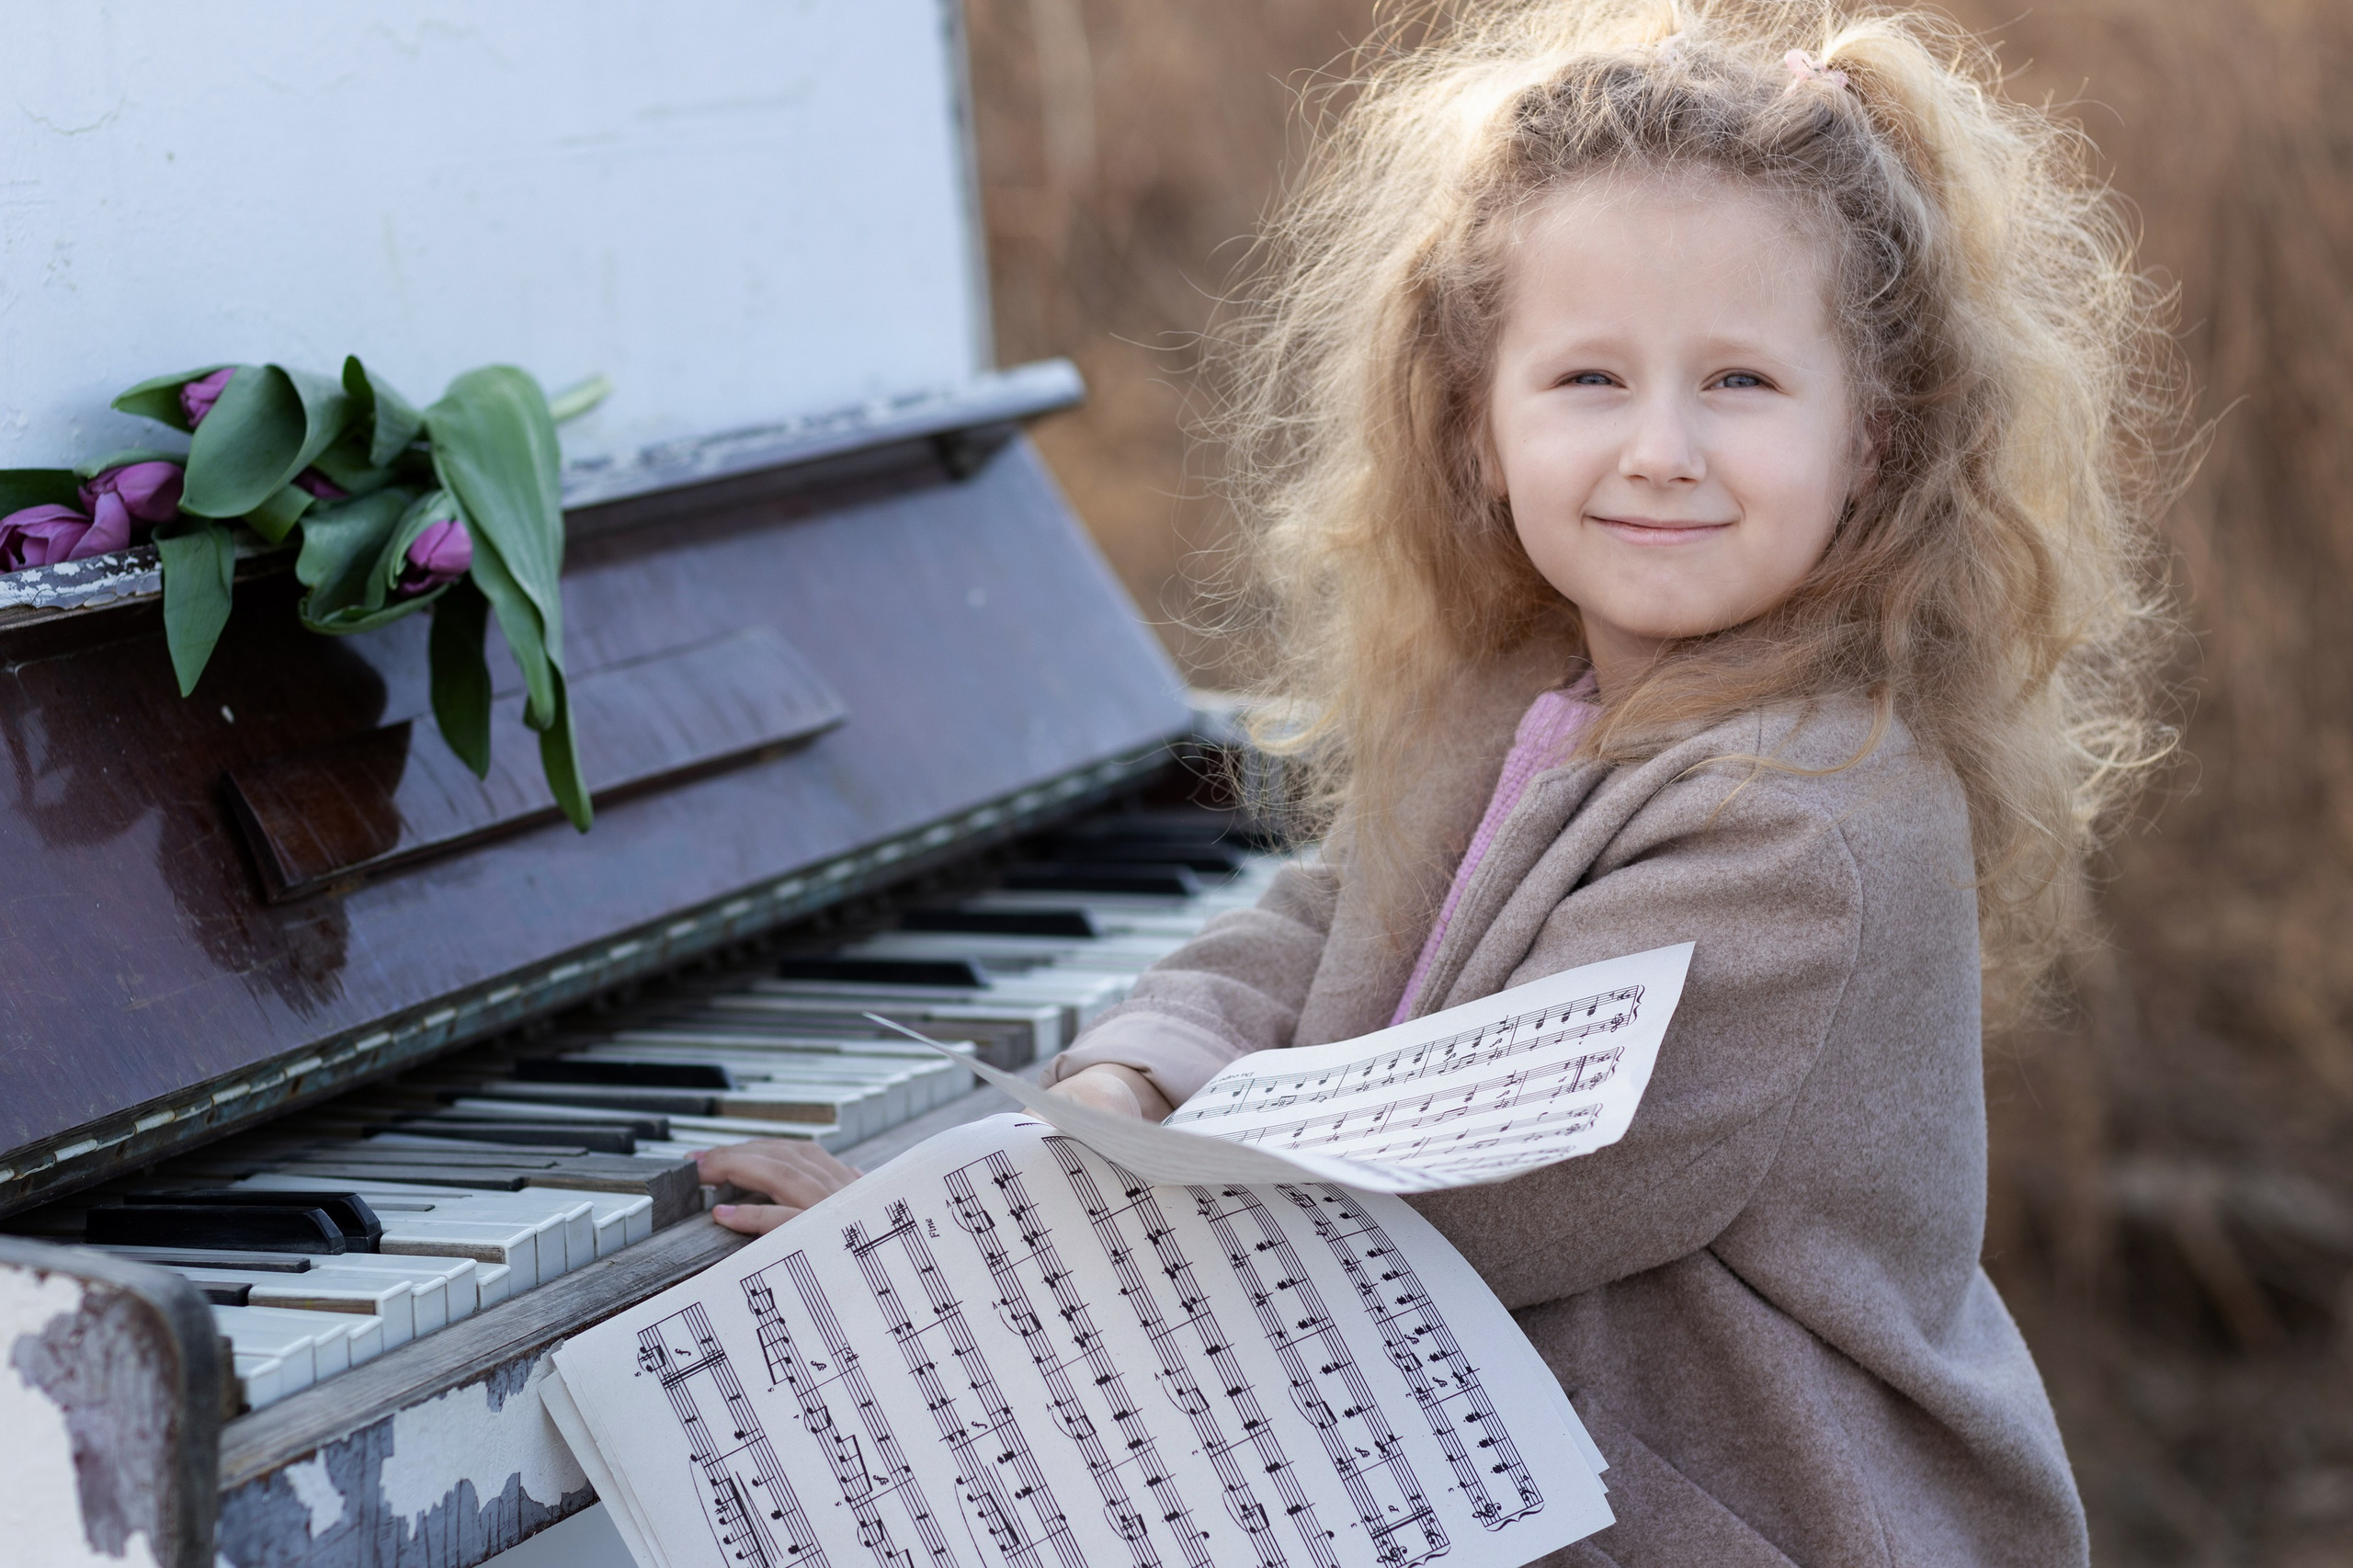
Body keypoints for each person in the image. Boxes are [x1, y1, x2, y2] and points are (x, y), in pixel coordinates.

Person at [694, 3, 2183, 1561]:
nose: (1661, 448)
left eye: (1738, 381)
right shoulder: (1523, 689)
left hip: (1741, 1516)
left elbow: (1450, 1206)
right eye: (1590, 379)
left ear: (1869, 440)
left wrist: (961, 1258)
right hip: (1476, 1449)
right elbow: (1328, 920)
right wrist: (1122, 1076)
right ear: (1477, 426)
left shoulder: (1803, 822)